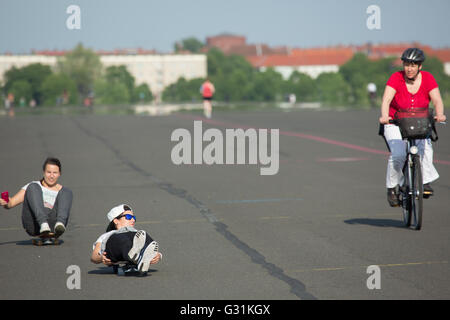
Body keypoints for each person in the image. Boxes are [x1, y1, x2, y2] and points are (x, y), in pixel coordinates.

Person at [379, 48, 446, 206]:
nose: (409, 68)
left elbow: (437, 100)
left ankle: (425, 181)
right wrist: (384, 117)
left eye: (413, 65)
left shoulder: (428, 78)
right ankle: (392, 188)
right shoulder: (396, 77)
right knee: (399, 154)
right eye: (407, 64)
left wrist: (440, 114)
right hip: (395, 121)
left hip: (420, 121)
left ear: (419, 66)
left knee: (425, 148)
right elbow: (386, 100)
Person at [0, 157, 73, 236]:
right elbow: (11, 203)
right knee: (32, 186)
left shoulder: (62, 192)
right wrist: (5, 202)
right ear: (44, 172)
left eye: (55, 173)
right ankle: (43, 224)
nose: (51, 176)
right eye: (48, 172)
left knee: (67, 191)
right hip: (34, 224)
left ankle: (60, 223)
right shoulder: (33, 187)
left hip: (53, 226)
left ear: (59, 174)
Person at [91, 204, 162, 273]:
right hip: (115, 251)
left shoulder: (139, 234)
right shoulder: (109, 235)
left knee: (143, 234)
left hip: (134, 241)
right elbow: (94, 257)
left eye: (134, 218)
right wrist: (101, 258)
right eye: (128, 217)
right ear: (116, 221)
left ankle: (140, 256)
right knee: (122, 239)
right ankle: (138, 256)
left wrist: (157, 255)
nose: (133, 220)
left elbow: (152, 245)